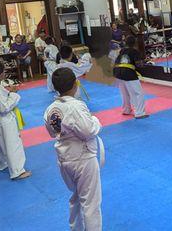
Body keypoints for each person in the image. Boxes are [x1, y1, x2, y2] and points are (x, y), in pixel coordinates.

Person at [44, 67, 103, 231]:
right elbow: (88, 131)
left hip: (64, 158)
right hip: (83, 158)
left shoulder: (51, 109)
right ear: (75, 84)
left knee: (77, 196)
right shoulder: (76, 106)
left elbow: (51, 132)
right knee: (91, 203)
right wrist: (95, 120)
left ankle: (76, 228)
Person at [0, 60, 32, 180]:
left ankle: (1, 164)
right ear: (2, 74)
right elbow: (3, 107)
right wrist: (13, 94)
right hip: (4, 119)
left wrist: (8, 92)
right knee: (13, 144)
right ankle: (17, 171)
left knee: (1, 143)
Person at [113, 36, 148, 119]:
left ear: (125, 42)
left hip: (117, 72)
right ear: (134, 43)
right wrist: (144, 62)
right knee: (137, 93)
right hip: (128, 73)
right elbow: (139, 64)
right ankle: (139, 113)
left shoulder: (122, 51)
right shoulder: (134, 51)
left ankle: (126, 109)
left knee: (124, 93)